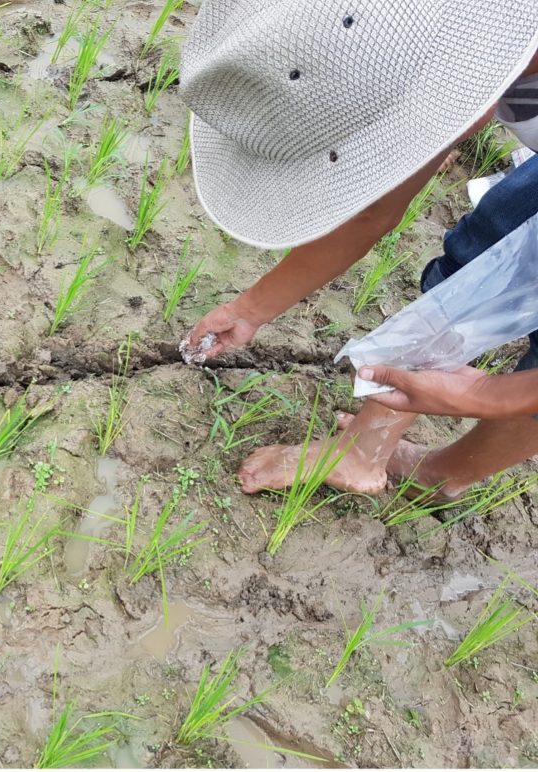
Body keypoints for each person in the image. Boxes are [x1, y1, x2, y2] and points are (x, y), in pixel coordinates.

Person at [177, 0, 538, 499]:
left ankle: (443, 476)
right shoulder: (434, 42)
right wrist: (250, 308)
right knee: (479, 255)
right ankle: (363, 452)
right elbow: (374, 211)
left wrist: (491, 395)